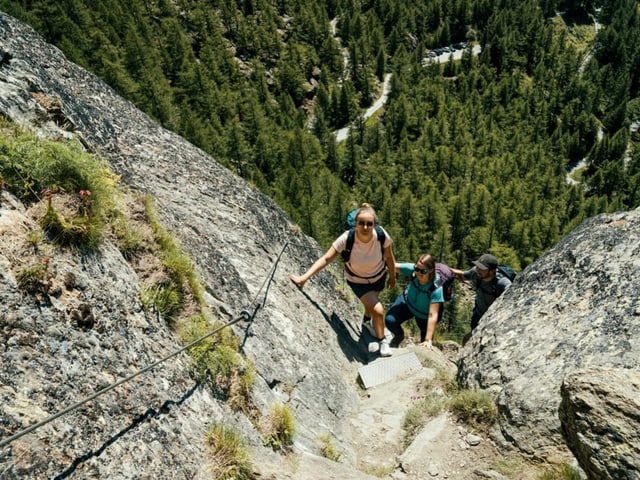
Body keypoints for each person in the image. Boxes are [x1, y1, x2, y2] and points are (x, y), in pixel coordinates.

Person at [289, 203, 396, 356]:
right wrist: (304, 277)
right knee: (378, 311)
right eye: (361, 223)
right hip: (358, 280)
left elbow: (389, 257)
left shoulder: (381, 235)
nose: (365, 227)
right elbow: (326, 258)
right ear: (356, 224)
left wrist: (392, 276)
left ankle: (366, 322)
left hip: (378, 276)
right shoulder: (347, 239)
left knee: (371, 304)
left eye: (369, 224)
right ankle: (382, 341)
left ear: (374, 224)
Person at [385, 254, 444, 350]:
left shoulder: (436, 289)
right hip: (407, 303)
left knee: (424, 345)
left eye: (423, 271)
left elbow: (433, 315)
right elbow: (393, 266)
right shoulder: (413, 270)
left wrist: (428, 340)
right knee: (390, 321)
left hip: (424, 316)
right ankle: (399, 336)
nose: (418, 273)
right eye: (417, 269)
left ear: (431, 270)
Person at [451, 253, 512, 344]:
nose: (478, 270)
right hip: (478, 315)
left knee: (472, 340)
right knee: (468, 340)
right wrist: (443, 269)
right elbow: (463, 274)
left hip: (492, 320)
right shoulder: (476, 273)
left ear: (492, 271)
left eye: (482, 268)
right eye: (477, 266)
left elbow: (512, 293)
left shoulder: (501, 282)